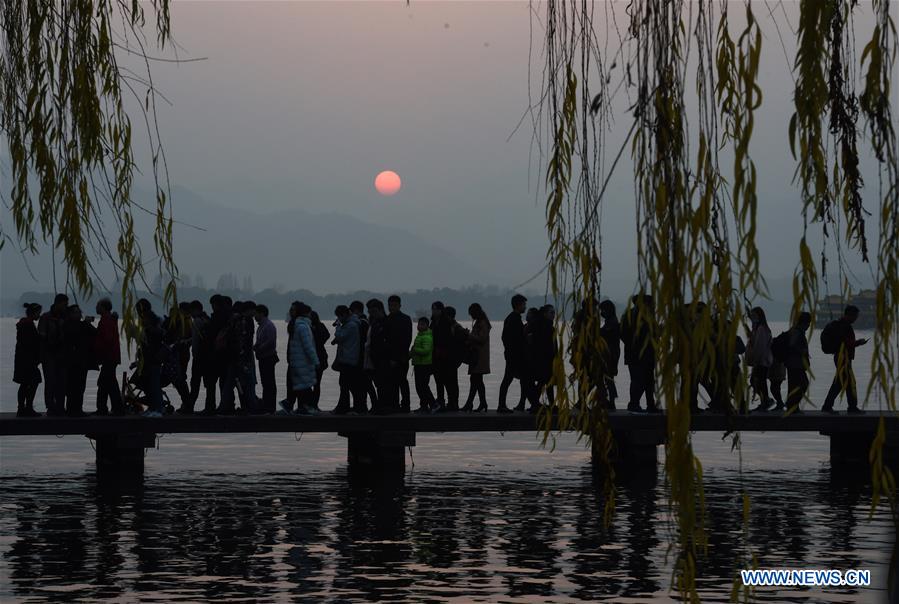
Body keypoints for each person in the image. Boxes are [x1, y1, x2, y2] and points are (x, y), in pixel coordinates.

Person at [822, 305, 867, 414]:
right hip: (843, 357)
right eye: (855, 316)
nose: (856, 319)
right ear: (849, 315)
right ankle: (850, 407)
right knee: (848, 383)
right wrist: (858, 343)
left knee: (840, 383)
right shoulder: (843, 326)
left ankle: (830, 406)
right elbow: (844, 343)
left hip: (841, 357)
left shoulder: (841, 325)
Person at [620, 294, 660, 413]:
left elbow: (623, 334)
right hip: (640, 354)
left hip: (639, 354)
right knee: (640, 380)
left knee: (646, 380)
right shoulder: (637, 315)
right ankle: (635, 404)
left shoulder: (630, 315)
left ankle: (649, 404)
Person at [498, 294, 534, 414]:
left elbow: (505, 337)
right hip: (515, 356)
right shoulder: (515, 319)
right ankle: (502, 405)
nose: (525, 307)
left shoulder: (511, 318)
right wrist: (526, 338)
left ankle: (522, 403)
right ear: (518, 305)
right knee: (509, 379)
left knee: (520, 379)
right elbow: (516, 338)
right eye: (524, 304)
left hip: (512, 354)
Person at [281, 302, 319, 414]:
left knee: (302, 385)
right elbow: (308, 346)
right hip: (301, 361)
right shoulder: (300, 326)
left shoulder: (298, 326)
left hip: (299, 361)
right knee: (304, 385)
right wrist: (315, 361)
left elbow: (305, 346)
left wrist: (314, 360)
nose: (290, 312)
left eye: (293, 310)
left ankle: (303, 407)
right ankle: (304, 408)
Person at [37, 293, 69, 416]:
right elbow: (41, 336)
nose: (65, 306)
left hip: (62, 355)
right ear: (58, 303)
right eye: (64, 304)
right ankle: (50, 406)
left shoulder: (65, 317)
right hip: (49, 355)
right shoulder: (46, 317)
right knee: (50, 382)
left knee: (62, 382)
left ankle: (60, 406)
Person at [63, 304, 96, 417]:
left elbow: (95, 333)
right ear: (70, 314)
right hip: (72, 362)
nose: (78, 314)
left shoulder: (82, 325)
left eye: (79, 312)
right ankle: (72, 409)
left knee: (80, 386)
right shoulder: (68, 325)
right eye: (75, 312)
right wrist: (85, 324)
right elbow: (73, 336)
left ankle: (77, 409)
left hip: (82, 361)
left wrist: (87, 324)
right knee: (72, 387)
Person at [93, 298, 124, 415]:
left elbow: (107, 339)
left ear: (103, 307)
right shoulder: (109, 319)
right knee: (109, 383)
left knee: (105, 383)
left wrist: (97, 347)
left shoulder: (106, 320)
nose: (96, 307)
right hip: (112, 356)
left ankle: (105, 409)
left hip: (109, 357)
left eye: (98, 305)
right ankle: (112, 408)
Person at [331, 305, 363, 414]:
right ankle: (345, 407)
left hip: (349, 359)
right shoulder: (350, 324)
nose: (338, 319)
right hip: (347, 358)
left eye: (339, 317)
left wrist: (338, 326)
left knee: (349, 385)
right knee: (345, 384)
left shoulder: (351, 325)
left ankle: (356, 407)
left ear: (344, 314)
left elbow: (341, 336)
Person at [367, 298, 397, 413]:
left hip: (385, 358)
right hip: (375, 358)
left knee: (385, 383)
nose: (372, 314)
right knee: (379, 383)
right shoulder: (374, 323)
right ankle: (380, 405)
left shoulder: (387, 322)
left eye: (374, 311)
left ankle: (386, 406)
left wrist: (392, 358)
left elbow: (392, 341)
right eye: (370, 312)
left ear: (380, 310)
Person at [136, 298, 165, 417]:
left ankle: (158, 409)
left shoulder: (153, 321)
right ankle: (152, 407)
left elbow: (159, 334)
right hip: (147, 358)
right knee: (149, 384)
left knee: (154, 384)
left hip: (154, 357)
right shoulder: (145, 320)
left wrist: (149, 329)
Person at [14, 303, 42, 417]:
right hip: (27, 360)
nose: (39, 315)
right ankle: (27, 407)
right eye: (38, 313)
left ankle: (22, 408)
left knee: (25, 383)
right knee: (33, 381)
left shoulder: (24, 324)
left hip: (23, 359)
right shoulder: (28, 325)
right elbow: (30, 343)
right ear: (33, 313)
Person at [386, 295, 413, 412]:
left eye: (394, 305)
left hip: (402, 356)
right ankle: (394, 404)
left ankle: (405, 405)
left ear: (400, 305)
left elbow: (407, 340)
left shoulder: (406, 319)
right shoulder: (387, 319)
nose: (392, 308)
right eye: (390, 305)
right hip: (391, 355)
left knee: (402, 381)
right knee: (392, 382)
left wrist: (396, 358)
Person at [461, 303, 491, 412]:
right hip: (477, 355)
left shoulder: (482, 323)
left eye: (471, 314)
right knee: (476, 380)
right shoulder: (480, 322)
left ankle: (472, 403)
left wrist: (469, 335)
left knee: (476, 380)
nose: (471, 316)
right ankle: (481, 403)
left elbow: (482, 338)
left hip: (479, 356)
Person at [187, 300, 214, 414]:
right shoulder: (207, 319)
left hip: (199, 357)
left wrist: (194, 354)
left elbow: (195, 342)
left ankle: (189, 407)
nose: (190, 314)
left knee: (195, 383)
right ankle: (210, 407)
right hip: (209, 356)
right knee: (209, 384)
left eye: (191, 311)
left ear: (196, 309)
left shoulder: (197, 321)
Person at [351, 300, 378, 410]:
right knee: (366, 383)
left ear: (356, 310)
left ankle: (366, 405)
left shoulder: (361, 323)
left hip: (362, 357)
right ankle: (367, 405)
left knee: (365, 383)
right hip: (365, 357)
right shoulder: (366, 322)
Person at [746, 307, 774, 413]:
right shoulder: (757, 328)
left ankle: (765, 401)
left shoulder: (762, 329)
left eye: (754, 316)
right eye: (752, 316)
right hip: (760, 360)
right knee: (758, 381)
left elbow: (759, 346)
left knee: (758, 381)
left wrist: (756, 360)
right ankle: (765, 401)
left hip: (762, 360)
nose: (752, 318)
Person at [784, 311, 812, 413]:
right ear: (803, 322)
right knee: (803, 384)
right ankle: (792, 405)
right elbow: (792, 345)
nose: (809, 325)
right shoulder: (797, 332)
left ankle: (792, 406)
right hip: (795, 364)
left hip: (793, 363)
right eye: (808, 323)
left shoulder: (796, 331)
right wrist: (802, 351)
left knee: (794, 385)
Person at [254, 304, 278, 414]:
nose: (255, 316)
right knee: (265, 382)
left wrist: (259, 348)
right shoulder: (261, 326)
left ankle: (270, 406)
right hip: (263, 357)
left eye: (256, 313)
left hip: (268, 357)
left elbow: (271, 342)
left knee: (269, 383)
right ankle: (266, 404)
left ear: (262, 313)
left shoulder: (269, 326)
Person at [599, 300, 621, 409]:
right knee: (608, 378)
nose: (601, 312)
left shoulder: (612, 322)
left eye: (602, 310)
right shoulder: (610, 320)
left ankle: (611, 401)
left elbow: (604, 333)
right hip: (610, 352)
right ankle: (609, 400)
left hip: (610, 354)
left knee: (608, 377)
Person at [410, 316, 435, 412]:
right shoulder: (419, 336)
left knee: (423, 386)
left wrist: (414, 350)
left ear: (427, 325)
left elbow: (426, 350)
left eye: (422, 324)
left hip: (425, 365)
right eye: (419, 324)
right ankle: (424, 405)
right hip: (418, 364)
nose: (419, 326)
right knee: (419, 386)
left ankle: (433, 404)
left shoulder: (427, 337)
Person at [310, 311, 330, 412]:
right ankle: (314, 405)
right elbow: (327, 335)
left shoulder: (310, 327)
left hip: (314, 359)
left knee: (311, 384)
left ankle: (310, 405)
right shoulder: (321, 325)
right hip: (321, 357)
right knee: (317, 384)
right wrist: (321, 342)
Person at [430, 301, 447, 407]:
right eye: (433, 309)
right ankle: (440, 399)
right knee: (437, 379)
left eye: (436, 309)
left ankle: (443, 400)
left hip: (443, 355)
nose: (434, 311)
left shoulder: (445, 322)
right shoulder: (433, 322)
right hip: (434, 355)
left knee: (443, 379)